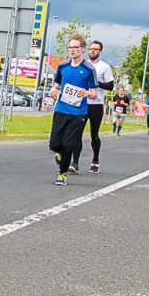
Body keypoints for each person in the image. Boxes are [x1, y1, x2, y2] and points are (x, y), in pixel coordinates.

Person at [48, 34, 98, 185]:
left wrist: (88, 93)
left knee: (68, 145)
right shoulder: (63, 66)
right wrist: (53, 90)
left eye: (76, 47)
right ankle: (60, 154)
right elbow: (56, 84)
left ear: (83, 49)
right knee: (54, 144)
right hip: (61, 109)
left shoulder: (89, 69)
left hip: (78, 113)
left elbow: (95, 93)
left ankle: (62, 174)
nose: (72, 50)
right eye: (70, 47)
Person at [72, 40, 114, 173]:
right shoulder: (82, 65)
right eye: (91, 49)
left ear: (100, 52)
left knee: (94, 134)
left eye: (95, 49)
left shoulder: (104, 67)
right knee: (77, 133)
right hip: (82, 103)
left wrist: (96, 82)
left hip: (96, 104)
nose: (92, 51)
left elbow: (110, 86)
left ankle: (95, 159)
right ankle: (75, 163)